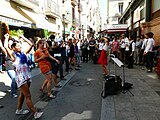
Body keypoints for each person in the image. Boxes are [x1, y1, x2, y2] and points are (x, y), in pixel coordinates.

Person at [4, 33, 43, 119]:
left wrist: (23, 37)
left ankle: (18, 110)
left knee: (22, 95)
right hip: (21, 78)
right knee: (28, 96)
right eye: (18, 46)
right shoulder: (13, 56)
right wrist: (6, 38)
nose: (20, 47)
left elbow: (31, 44)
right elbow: (6, 47)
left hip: (27, 76)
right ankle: (35, 113)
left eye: (20, 45)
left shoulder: (24, 53)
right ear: (14, 48)